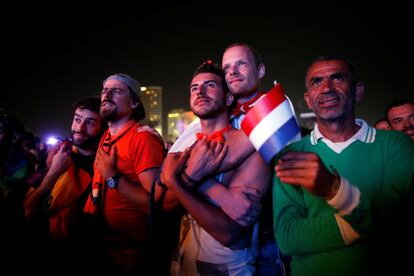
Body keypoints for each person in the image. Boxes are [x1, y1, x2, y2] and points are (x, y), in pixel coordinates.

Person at [273, 55, 414, 276]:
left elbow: (395, 227)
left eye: (337, 78)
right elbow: (288, 239)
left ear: (358, 90)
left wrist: (334, 190)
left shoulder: (397, 145)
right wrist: (366, 222)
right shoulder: (291, 154)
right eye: (316, 82)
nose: (327, 88)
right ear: (308, 99)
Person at [170, 43, 286, 275]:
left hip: (269, 234)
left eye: (241, 63)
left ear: (261, 70)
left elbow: (222, 156)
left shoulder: (275, 107)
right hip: (200, 247)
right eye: (227, 67)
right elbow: (176, 163)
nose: (232, 72)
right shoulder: (217, 111)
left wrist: (181, 176)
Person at [83, 73, 165, 275]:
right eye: (104, 91)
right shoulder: (107, 135)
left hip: (134, 253)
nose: (107, 94)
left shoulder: (142, 138)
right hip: (105, 247)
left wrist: (113, 177)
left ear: (135, 103)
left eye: (117, 91)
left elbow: (157, 204)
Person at [24, 97, 105, 274]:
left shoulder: (105, 166)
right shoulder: (57, 156)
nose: (80, 128)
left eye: (90, 122)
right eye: (77, 119)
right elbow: (29, 210)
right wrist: (52, 170)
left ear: (104, 127)